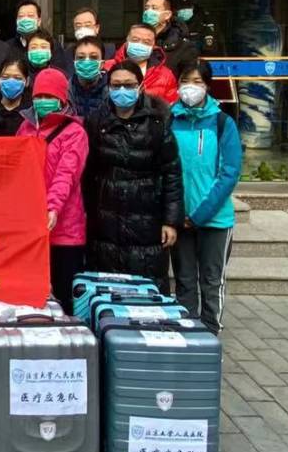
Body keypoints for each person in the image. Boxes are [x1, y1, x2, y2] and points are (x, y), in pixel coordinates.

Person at [82, 61, 184, 293]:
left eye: (128, 85)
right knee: (108, 290)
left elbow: (172, 173)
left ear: (140, 86)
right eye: (116, 85)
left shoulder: (157, 123)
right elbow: (87, 173)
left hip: (147, 219)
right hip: (104, 220)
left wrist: (171, 221)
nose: (122, 90)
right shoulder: (96, 122)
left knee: (146, 289)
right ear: (108, 87)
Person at [170, 60, 242, 333]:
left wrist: (199, 214)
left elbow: (229, 173)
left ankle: (211, 333)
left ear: (208, 86)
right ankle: (188, 333)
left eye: (197, 82)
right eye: (185, 81)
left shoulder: (223, 123)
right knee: (184, 280)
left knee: (211, 281)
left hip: (214, 220)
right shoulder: (170, 120)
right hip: (180, 218)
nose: (190, 87)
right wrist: (176, 213)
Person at [16, 69, 89, 313]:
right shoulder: (26, 127)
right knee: (31, 296)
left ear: (61, 98)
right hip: (30, 226)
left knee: (64, 295)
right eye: (39, 96)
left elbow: (66, 174)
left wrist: (53, 207)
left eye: (49, 96)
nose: (42, 101)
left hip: (65, 228)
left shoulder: (74, 132)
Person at [103, 24, 178, 104]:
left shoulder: (165, 75)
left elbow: (171, 105)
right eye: (135, 40)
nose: (140, 44)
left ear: (153, 46)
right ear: (127, 41)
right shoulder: (106, 67)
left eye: (146, 42)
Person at [0, 0, 73, 75]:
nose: (25, 19)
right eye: (21, 16)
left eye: (30, 16)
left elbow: (61, 73)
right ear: (16, 21)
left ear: (39, 21)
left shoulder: (52, 44)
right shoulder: (7, 46)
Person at [143, 0, 198, 75]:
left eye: (154, 8)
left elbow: (186, 78)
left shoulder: (183, 47)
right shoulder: (136, 40)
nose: (148, 12)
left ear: (167, 15)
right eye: (146, 8)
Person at [68, 37, 108, 119]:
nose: (87, 61)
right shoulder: (67, 89)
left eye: (93, 57)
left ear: (102, 64)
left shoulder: (111, 89)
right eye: (81, 57)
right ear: (74, 63)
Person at [0, 58, 30, 135]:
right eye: (5, 77)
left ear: (27, 81)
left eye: (17, 78)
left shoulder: (31, 114)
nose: (11, 82)